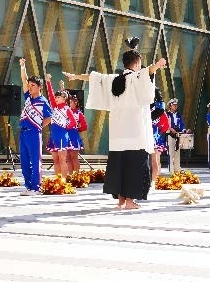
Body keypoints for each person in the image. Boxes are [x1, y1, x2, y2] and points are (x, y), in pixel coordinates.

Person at [63, 37, 167, 210]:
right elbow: (148, 72)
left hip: (118, 133)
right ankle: (130, 201)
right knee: (134, 166)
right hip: (135, 132)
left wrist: (76, 76)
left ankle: (120, 200)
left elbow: (94, 77)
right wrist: (157, 64)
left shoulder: (115, 79)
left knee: (119, 166)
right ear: (137, 63)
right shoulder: (136, 77)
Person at [18, 58, 52, 195]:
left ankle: (36, 187)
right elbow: (23, 79)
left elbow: (49, 117)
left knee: (34, 160)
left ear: (39, 87)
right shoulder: (28, 97)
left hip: (33, 132)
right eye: (29, 85)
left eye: (33, 85)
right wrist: (22, 66)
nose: (30, 87)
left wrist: (38, 126)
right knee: (24, 161)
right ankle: (28, 186)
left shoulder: (43, 101)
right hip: (23, 132)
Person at [45, 74, 76, 177]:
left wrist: (65, 127)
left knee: (62, 159)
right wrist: (48, 81)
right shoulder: (54, 107)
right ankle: (58, 180)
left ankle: (64, 180)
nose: (56, 98)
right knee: (55, 160)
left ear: (64, 99)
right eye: (56, 97)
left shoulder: (67, 109)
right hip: (54, 136)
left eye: (58, 97)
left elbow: (73, 122)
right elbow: (49, 94)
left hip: (62, 136)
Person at [64, 85, 87, 174]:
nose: (71, 104)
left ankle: (76, 175)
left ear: (76, 103)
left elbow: (85, 126)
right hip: (66, 136)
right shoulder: (66, 111)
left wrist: (77, 128)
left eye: (73, 102)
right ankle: (70, 175)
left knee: (74, 156)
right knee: (68, 157)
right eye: (70, 102)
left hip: (74, 136)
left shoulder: (79, 113)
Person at [151, 88, 170, 181]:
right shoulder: (158, 109)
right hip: (155, 136)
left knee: (154, 160)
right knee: (156, 160)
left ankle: (153, 181)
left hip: (152, 137)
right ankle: (155, 180)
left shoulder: (149, 109)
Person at [166, 98, 188, 173]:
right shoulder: (167, 114)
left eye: (176, 105)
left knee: (177, 152)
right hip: (170, 134)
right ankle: (171, 169)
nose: (175, 106)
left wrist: (185, 130)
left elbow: (181, 124)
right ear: (170, 106)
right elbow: (165, 125)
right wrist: (170, 128)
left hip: (178, 135)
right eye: (174, 105)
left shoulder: (178, 115)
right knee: (171, 152)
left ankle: (177, 168)